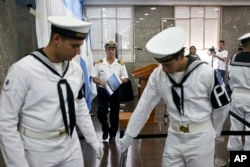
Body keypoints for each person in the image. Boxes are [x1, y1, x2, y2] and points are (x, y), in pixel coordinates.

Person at [0, 16, 103, 167]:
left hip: (70, 143)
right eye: (74, 45)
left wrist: (93, 139)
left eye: (80, 45)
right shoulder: (23, 70)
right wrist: (17, 163)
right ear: (56, 39)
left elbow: (79, 105)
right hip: (38, 148)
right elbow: (6, 122)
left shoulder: (75, 69)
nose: (78, 51)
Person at [120, 27, 230, 167]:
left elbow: (222, 106)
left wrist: (214, 131)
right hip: (174, 136)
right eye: (161, 64)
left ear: (180, 56)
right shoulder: (158, 74)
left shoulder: (206, 73)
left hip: (200, 138)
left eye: (167, 64)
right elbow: (144, 106)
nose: (164, 69)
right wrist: (130, 134)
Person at [92, 40, 128, 143]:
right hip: (103, 91)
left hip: (115, 91)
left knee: (114, 114)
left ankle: (112, 135)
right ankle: (105, 128)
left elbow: (125, 78)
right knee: (101, 113)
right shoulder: (99, 63)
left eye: (113, 49)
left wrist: (118, 81)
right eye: (109, 49)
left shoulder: (120, 64)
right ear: (105, 50)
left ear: (115, 50)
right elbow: (94, 78)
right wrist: (100, 82)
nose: (111, 51)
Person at [227, 32, 250, 151]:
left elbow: (230, 79)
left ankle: (236, 158)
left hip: (237, 96)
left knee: (235, 128)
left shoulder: (234, 58)